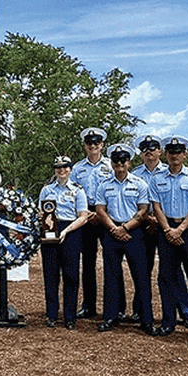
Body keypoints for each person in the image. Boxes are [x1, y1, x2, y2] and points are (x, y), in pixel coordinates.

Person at [94, 143, 156, 336]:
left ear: (129, 162)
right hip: (111, 232)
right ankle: (111, 317)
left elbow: (144, 210)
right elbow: (100, 210)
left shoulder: (140, 184)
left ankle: (146, 320)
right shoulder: (104, 185)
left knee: (141, 277)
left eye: (123, 160)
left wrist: (125, 228)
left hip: (134, 233)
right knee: (111, 277)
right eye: (116, 161)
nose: (119, 164)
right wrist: (115, 228)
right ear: (112, 163)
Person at [131, 134, 188, 328]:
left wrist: (160, 222)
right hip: (142, 227)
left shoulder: (170, 171)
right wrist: (149, 219)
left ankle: (185, 311)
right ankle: (139, 310)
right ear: (141, 154)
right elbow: (131, 203)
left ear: (160, 152)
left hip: (167, 228)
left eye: (153, 149)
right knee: (142, 269)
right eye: (145, 150)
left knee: (174, 270)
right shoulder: (134, 174)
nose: (149, 153)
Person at [149, 136, 188, 339]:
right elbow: (156, 206)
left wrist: (180, 229)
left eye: (178, 152)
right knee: (166, 277)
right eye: (171, 152)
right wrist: (168, 230)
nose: (174, 156)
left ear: (185, 154)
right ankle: (168, 322)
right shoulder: (157, 178)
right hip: (166, 230)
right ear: (166, 155)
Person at [38, 156, 90, 329]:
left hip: (71, 231)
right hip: (50, 231)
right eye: (58, 167)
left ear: (70, 169)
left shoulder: (78, 190)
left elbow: (83, 216)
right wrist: (41, 220)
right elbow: (41, 212)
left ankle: (70, 316)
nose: (62, 170)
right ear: (55, 170)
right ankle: (51, 314)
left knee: (71, 275)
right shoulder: (46, 190)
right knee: (51, 275)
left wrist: (66, 231)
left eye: (65, 167)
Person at [69, 127, 112, 320]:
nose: (92, 146)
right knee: (87, 263)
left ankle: (115, 308)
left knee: (112, 263)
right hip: (85, 217)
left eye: (96, 143)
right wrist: (87, 214)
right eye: (89, 143)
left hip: (108, 216)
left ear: (102, 145)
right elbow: (73, 193)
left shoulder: (111, 165)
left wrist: (102, 214)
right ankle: (88, 306)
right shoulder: (77, 168)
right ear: (85, 145)